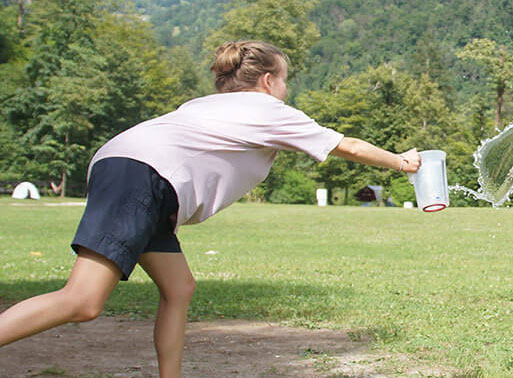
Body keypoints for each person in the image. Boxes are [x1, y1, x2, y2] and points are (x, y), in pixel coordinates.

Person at [0, 40, 422, 378]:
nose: (286, 90)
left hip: (144, 177)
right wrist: (402, 161)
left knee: (179, 288)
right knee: (83, 302)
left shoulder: (207, 105)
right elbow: (345, 146)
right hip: (144, 176)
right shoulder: (268, 108)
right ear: (270, 80)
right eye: (286, 80)